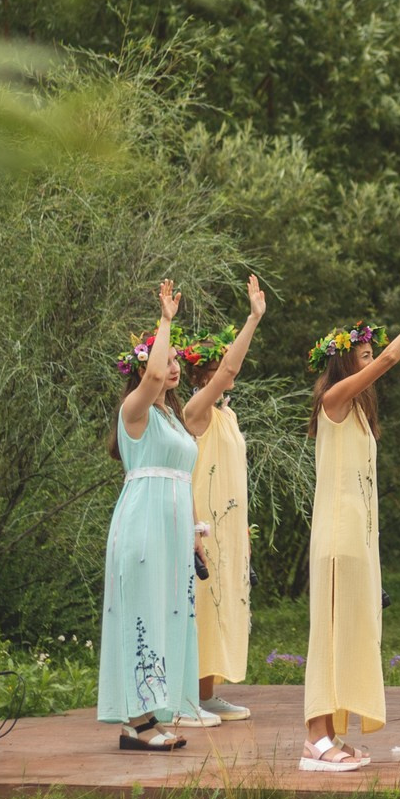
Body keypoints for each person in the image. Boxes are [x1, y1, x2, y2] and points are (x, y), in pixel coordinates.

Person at [299, 284, 400, 773]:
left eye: (369, 356)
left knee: (352, 634)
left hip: (358, 537)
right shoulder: (334, 401)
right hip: (338, 538)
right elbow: (388, 360)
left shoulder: (360, 414)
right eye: (362, 356)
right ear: (344, 364)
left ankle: (332, 732)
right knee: (331, 633)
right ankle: (313, 738)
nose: (371, 363)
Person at [98, 280, 204, 753]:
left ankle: (153, 713)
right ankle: (135, 723)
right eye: (165, 361)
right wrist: (165, 320)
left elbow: (185, 479)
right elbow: (152, 378)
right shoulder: (134, 411)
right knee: (141, 613)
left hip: (173, 532)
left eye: (176, 361)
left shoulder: (172, 419)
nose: (171, 368)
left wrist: (196, 535)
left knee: (165, 613)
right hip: (143, 526)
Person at [182, 275, 267, 723]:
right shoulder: (195, 411)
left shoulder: (226, 415)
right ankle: (189, 695)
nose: (225, 377)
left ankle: (207, 692)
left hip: (228, 525)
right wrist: (252, 319)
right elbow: (231, 369)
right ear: (202, 377)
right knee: (201, 604)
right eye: (216, 372)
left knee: (220, 605)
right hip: (201, 524)